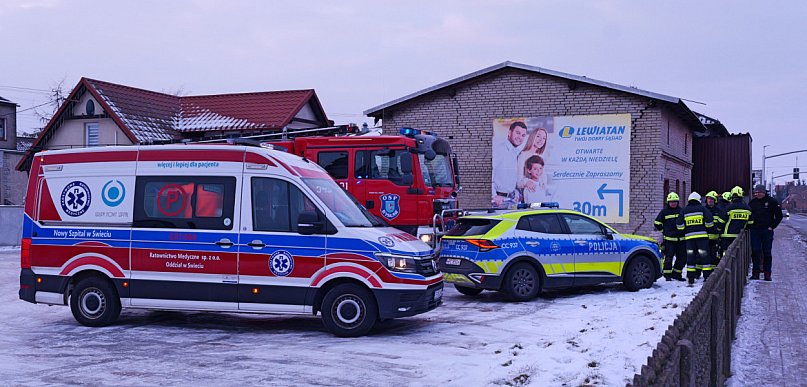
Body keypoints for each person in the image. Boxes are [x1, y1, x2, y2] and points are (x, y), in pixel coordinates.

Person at [677, 192, 714, 285]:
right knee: (704, 257)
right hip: (702, 239)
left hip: (689, 239)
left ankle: (691, 278)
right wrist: (705, 227)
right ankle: (707, 277)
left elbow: (679, 225)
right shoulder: (702, 209)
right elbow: (710, 221)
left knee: (691, 257)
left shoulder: (684, 210)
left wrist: (686, 229)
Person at [748, 184, 783, 281]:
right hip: (755, 230)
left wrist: (772, 226)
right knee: (755, 251)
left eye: (759, 192)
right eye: (756, 192)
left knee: (767, 252)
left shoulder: (772, 202)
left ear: (764, 192)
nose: (757, 194)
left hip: (767, 231)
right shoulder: (752, 203)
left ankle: (767, 274)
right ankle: (755, 273)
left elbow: (779, 216)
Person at [492, 121, 527, 207]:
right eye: (517, 133)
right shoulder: (498, 150)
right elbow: (489, 173)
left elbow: (511, 178)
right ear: (509, 132)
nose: (520, 137)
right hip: (497, 201)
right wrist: (493, 195)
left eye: (523, 135)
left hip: (510, 200)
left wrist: (516, 192)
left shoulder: (516, 153)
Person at [654, 192, 686, 281]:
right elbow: (657, 223)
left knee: (682, 258)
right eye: (671, 202)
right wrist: (664, 231)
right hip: (669, 240)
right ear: (668, 202)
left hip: (681, 240)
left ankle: (677, 274)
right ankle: (667, 275)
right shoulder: (664, 212)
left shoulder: (681, 211)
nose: (673, 203)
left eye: (675, 201)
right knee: (668, 258)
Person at [516, 127, 549, 198]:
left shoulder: (540, 156)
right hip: (529, 195)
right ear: (532, 137)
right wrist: (526, 182)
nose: (541, 140)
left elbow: (543, 180)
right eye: (538, 136)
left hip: (540, 195)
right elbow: (518, 182)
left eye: (544, 138)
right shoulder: (523, 155)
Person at [721, 186, 752, 258]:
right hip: (740, 236)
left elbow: (721, 222)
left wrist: (719, 230)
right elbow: (750, 223)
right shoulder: (748, 209)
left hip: (727, 236)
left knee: (726, 255)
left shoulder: (728, 208)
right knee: (738, 256)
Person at [703, 191, 724, 274]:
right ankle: (701, 272)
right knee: (703, 255)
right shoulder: (703, 210)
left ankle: (713, 272)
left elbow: (721, 223)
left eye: (712, 199)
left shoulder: (719, 211)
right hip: (704, 237)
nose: (710, 201)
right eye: (708, 199)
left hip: (715, 237)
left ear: (715, 201)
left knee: (713, 255)